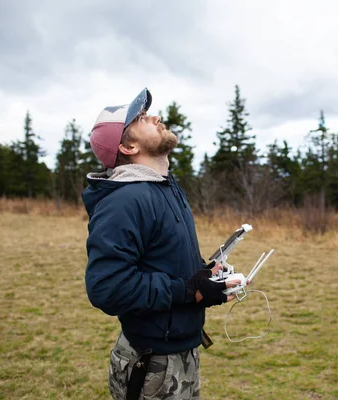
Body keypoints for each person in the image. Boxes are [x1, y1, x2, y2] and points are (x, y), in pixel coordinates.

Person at [82, 88, 240, 400]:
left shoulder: (165, 189)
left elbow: (164, 262)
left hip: (182, 352)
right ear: (127, 146)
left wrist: (205, 278)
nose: (156, 117)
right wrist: (186, 290)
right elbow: (107, 288)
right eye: (141, 118)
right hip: (153, 362)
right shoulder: (125, 201)